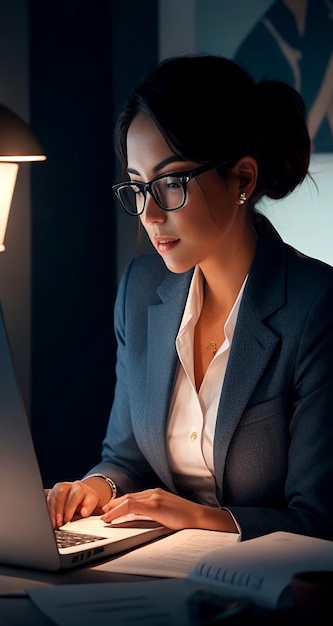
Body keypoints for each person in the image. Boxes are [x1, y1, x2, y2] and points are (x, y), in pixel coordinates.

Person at [46, 53, 333, 541]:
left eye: (172, 183)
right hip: (158, 574)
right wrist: (97, 485)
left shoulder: (316, 308)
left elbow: (320, 521)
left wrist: (202, 518)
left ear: (242, 179)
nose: (150, 214)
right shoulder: (140, 291)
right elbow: (127, 456)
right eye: (137, 188)